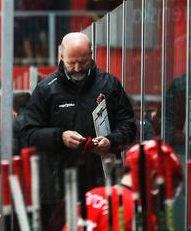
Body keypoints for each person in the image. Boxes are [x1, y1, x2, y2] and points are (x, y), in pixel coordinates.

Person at [21, 32, 136, 229]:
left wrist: (111, 141)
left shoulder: (109, 85)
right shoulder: (46, 89)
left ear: (91, 54)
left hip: (101, 181)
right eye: (72, 62)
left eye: (83, 62)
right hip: (58, 186)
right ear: (61, 56)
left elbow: (129, 125)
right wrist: (60, 137)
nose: (77, 68)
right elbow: (28, 133)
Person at [63, 140, 183, 230]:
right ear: (155, 178)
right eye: (171, 187)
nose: (168, 197)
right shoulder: (142, 216)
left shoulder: (93, 194)